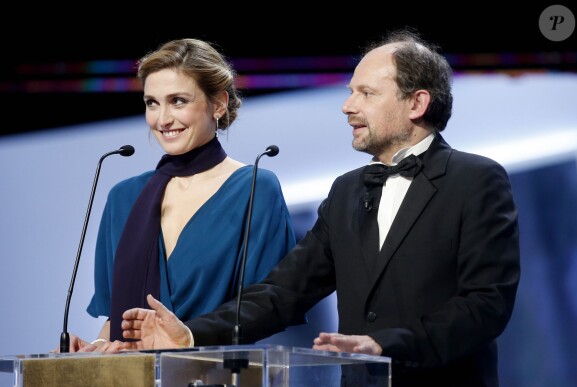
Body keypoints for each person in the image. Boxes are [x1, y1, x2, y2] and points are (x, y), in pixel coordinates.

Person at [120, 28, 520, 387]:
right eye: (350, 92)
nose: (347, 106)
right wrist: (190, 335)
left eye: (365, 93)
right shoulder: (346, 191)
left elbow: (486, 305)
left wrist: (384, 345)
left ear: (416, 103)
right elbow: (283, 292)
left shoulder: (475, 180)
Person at [64, 38, 296, 352]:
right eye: (152, 103)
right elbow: (116, 321)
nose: (162, 119)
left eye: (178, 101)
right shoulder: (123, 197)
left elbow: (267, 308)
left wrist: (188, 337)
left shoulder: (255, 188)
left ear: (218, 104)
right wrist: (95, 347)